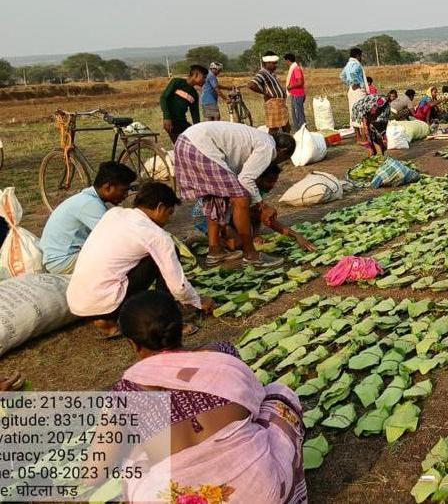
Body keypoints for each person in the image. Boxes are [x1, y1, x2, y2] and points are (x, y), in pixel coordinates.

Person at [110, 291, 307, 503]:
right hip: (258, 493)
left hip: (172, 497)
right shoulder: (221, 354)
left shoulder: (124, 393)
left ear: (133, 344)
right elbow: (254, 402)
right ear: (180, 325)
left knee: (134, 460)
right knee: (278, 395)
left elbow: (95, 471)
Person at [66, 182, 213, 338]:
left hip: (78, 302)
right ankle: (165, 321)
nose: (168, 220)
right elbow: (178, 286)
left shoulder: (114, 214)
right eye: (169, 213)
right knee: (164, 257)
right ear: (160, 207)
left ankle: (105, 320)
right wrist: (198, 300)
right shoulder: (156, 235)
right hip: (106, 301)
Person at [174, 121, 295, 268]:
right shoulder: (269, 148)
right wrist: (262, 206)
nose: (277, 162)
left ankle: (215, 252)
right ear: (283, 151)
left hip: (185, 142)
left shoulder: (259, 138)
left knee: (216, 198)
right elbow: (246, 179)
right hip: (201, 146)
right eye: (283, 160)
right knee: (241, 198)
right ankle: (251, 255)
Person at [191, 163, 316, 252]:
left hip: (228, 214)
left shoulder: (258, 190)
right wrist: (295, 235)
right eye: (269, 182)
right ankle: (203, 239)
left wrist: (256, 235)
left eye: (274, 182)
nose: (272, 186)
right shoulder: (245, 189)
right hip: (206, 215)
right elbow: (266, 219)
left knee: (255, 213)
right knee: (238, 245)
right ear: (258, 179)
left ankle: (239, 233)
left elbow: (260, 215)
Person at [40, 161, 137, 274]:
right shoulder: (90, 204)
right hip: (62, 261)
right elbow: (114, 238)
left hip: (59, 257)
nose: (126, 195)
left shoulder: (87, 199)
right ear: (108, 187)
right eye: (123, 190)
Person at [160, 65, 207, 142]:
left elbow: (195, 115)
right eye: (204, 77)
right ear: (196, 75)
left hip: (182, 122)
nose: (205, 80)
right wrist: (167, 117)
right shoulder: (177, 82)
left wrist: (198, 129)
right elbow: (163, 98)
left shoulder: (194, 94)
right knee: (182, 144)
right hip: (171, 123)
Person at [247, 51, 290, 134]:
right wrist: (265, 93)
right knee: (274, 128)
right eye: (274, 63)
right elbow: (251, 85)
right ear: (267, 63)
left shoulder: (271, 73)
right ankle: (272, 145)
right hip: (273, 104)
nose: (276, 65)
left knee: (286, 127)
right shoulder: (263, 73)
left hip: (280, 103)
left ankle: (286, 144)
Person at [341, 48, 368, 131]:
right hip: (358, 90)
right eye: (361, 56)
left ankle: (358, 136)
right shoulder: (356, 64)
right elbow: (353, 73)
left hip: (351, 91)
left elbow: (342, 76)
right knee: (362, 112)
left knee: (353, 113)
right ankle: (364, 136)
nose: (361, 58)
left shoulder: (348, 64)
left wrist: (350, 84)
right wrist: (355, 83)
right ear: (357, 56)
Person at [284, 53, 306, 132]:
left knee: (298, 112)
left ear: (288, 60)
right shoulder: (294, 68)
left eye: (285, 61)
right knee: (296, 112)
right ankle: (299, 129)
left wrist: (290, 86)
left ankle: (302, 128)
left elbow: (300, 82)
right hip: (295, 94)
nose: (285, 63)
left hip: (298, 94)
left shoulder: (296, 69)